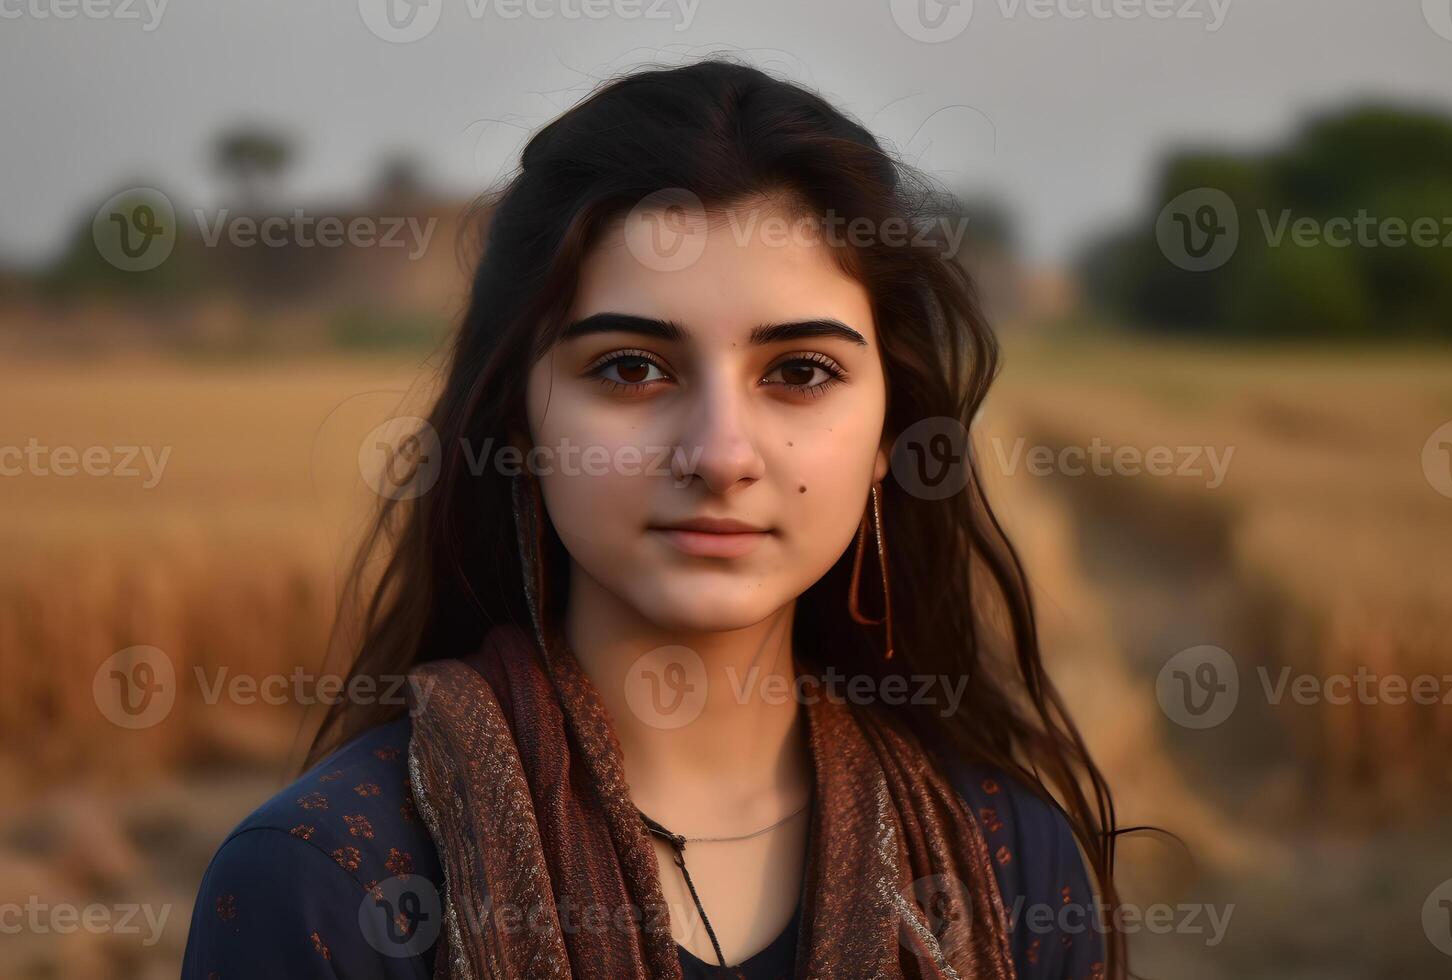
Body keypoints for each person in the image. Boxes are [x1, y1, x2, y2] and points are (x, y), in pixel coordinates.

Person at [182, 56, 1121, 979]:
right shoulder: (328, 881)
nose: (718, 455)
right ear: (519, 418)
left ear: (889, 436)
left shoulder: (1009, 866)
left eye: (800, 372)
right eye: (632, 368)